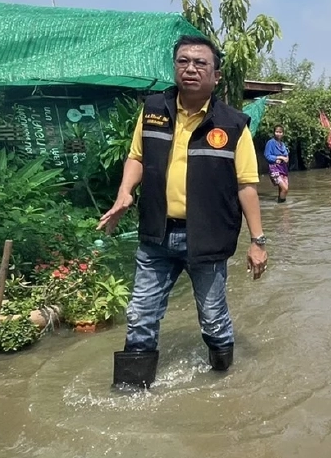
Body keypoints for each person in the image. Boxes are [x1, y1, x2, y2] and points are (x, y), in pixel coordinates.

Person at [98, 34, 269, 375]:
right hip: (157, 235)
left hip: (206, 238)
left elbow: (246, 186)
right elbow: (136, 156)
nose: (190, 68)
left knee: (213, 317)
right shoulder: (153, 111)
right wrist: (124, 192)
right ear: (175, 68)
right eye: (183, 62)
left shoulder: (233, 125)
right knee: (141, 313)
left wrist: (257, 241)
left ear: (216, 76)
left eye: (200, 63)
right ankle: (132, 391)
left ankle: (224, 382)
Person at [264, 125, 291, 203]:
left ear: (283, 133)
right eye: (277, 132)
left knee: (282, 190)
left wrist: (286, 158)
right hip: (274, 168)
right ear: (274, 133)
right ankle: (281, 206)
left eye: (280, 132)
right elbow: (267, 155)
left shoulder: (282, 144)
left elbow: (286, 154)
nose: (278, 134)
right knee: (285, 189)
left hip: (283, 168)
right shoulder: (270, 143)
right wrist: (278, 158)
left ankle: (281, 209)